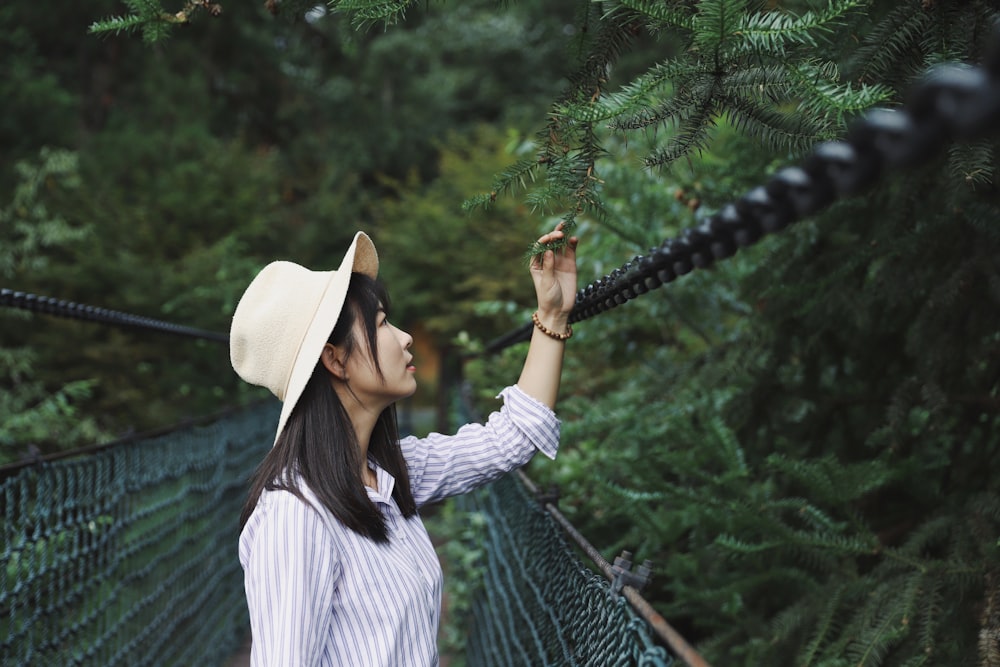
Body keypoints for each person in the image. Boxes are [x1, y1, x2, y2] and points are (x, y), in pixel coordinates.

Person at [229, 223, 579, 666]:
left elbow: (510, 439)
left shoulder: (389, 474)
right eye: (381, 324)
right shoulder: (295, 515)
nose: (405, 337)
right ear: (335, 359)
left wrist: (552, 316)